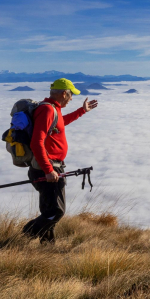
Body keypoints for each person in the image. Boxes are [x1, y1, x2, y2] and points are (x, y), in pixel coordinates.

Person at [21, 78, 98, 243]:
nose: (71, 99)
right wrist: (49, 170)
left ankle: (47, 248)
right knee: (56, 212)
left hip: (48, 167)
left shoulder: (52, 109)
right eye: (71, 96)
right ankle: (22, 237)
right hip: (47, 168)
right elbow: (36, 142)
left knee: (49, 210)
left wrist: (81, 111)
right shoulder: (48, 110)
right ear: (64, 93)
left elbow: (60, 124)